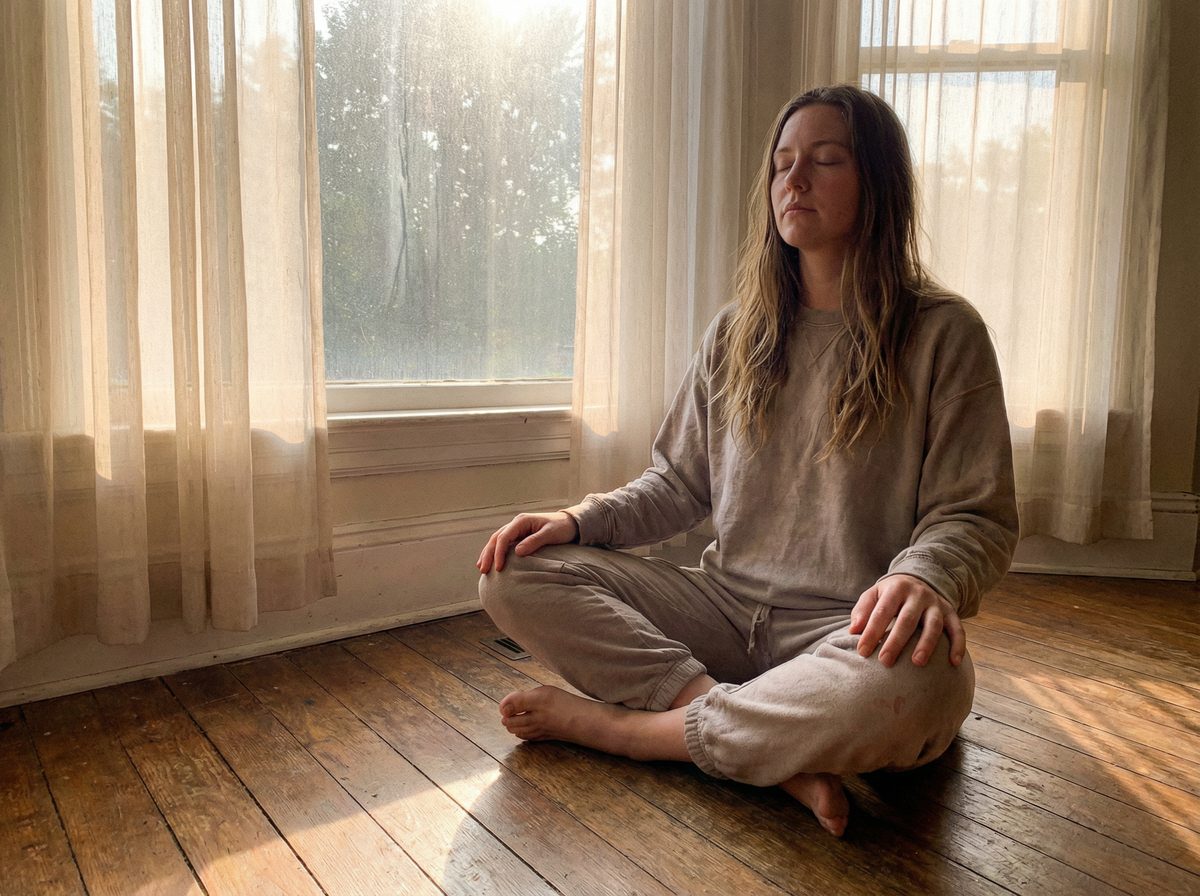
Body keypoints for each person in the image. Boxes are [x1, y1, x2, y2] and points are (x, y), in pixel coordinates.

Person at [475, 84, 1018, 837]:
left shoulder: (945, 333)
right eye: (783, 164)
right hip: (722, 613)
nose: (795, 180)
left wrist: (924, 576)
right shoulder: (736, 332)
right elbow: (676, 484)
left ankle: (631, 732)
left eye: (826, 160)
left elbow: (974, 514)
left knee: (929, 683)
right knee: (512, 571)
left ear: (879, 184)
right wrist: (576, 520)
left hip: (849, 630)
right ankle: (756, 737)